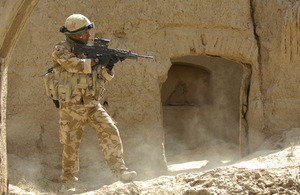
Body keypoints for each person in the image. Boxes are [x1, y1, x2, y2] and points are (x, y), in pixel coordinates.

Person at [47, 14, 137, 192]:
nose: (89, 36)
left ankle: (120, 172)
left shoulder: (91, 50)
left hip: (91, 103)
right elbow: (74, 65)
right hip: (71, 106)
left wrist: (109, 65)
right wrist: (97, 61)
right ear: (75, 34)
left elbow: (101, 78)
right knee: (71, 143)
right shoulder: (60, 49)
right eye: (85, 33)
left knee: (110, 129)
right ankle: (68, 183)